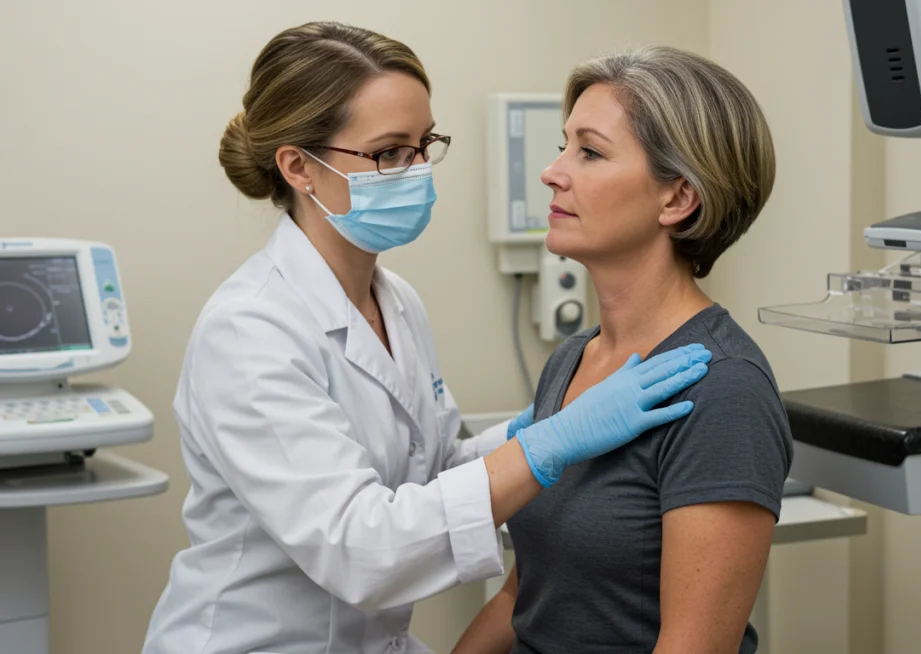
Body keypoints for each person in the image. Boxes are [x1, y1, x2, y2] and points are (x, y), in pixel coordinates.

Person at [141, 23, 714, 654]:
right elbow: (361, 549)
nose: (415, 170)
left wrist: (536, 426)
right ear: (300, 166)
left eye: (423, 144)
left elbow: (432, 470)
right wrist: (553, 442)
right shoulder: (250, 331)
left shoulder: (396, 302)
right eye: (389, 153)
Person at [452, 46, 793, 654]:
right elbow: (524, 592)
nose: (553, 171)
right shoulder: (571, 361)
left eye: (590, 151)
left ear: (677, 199)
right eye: (563, 145)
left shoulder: (724, 388)